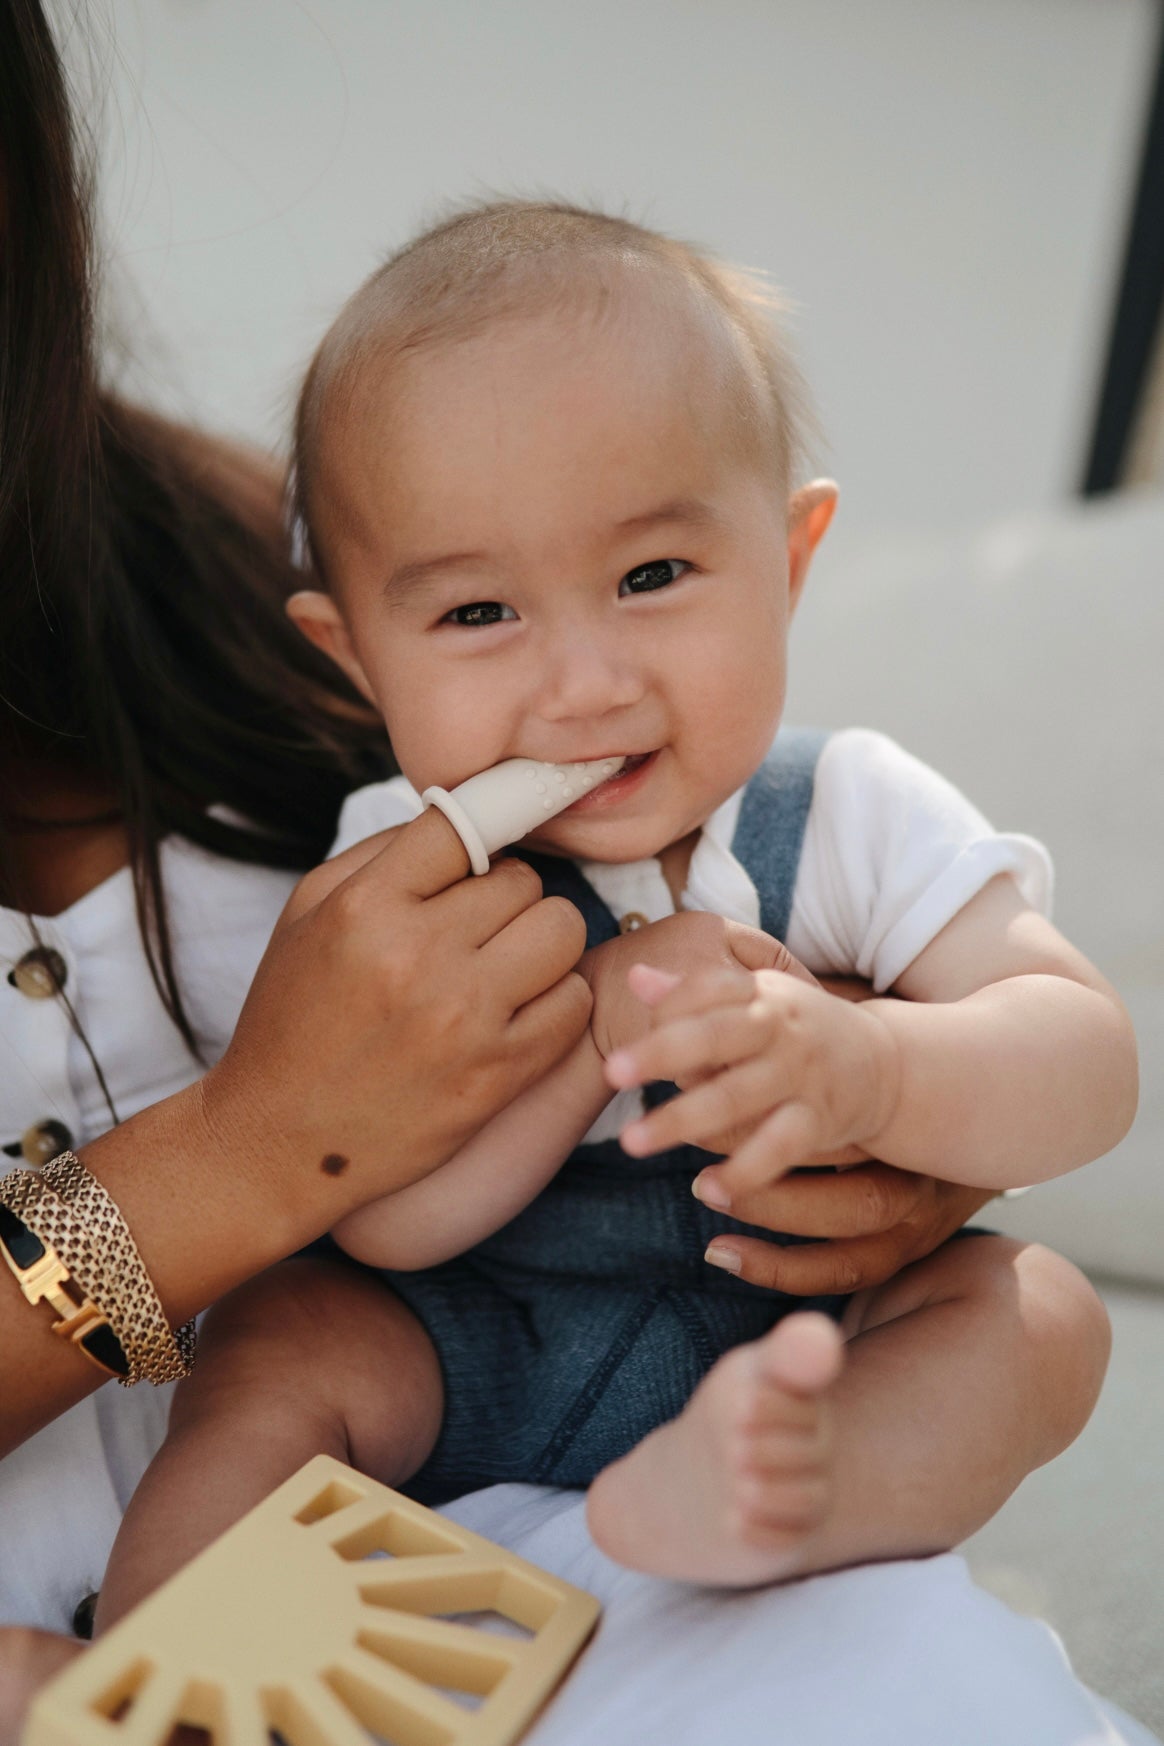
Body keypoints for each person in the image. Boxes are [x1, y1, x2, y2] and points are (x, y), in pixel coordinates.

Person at [0, 11, 1039, 1738]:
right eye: (484, 614)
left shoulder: (251, 547)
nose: (574, 679)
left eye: (643, 580)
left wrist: (884, 1096)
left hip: (575, 1542)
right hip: (236, 1603)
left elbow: (1014, 1032)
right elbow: (356, 1196)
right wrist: (246, 1157)